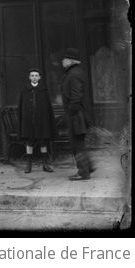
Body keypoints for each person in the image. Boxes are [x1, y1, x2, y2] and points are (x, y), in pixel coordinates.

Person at [61, 47, 93, 181]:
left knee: (77, 144)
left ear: (70, 61)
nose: (62, 61)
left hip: (76, 115)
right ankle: (88, 167)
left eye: (64, 59)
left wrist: (71, 112)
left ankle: (83, 172)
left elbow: (76, 96)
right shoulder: (75, 72)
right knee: (79, 143)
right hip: (77, 114)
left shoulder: (73, 74)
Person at [18, 68, 56, 173]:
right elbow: (21, 106)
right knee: (29, 142)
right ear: (29, 77)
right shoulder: (25, 90)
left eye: (36, 75)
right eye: (32, 75)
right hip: (29, 121)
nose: (34, 77)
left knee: (43, 142)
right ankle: (28, 165)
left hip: (41, 122)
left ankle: (45, 164)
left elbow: (47, 107)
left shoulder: (43, 90)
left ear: (39, 77)